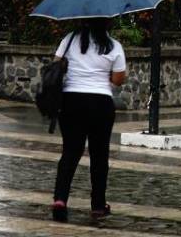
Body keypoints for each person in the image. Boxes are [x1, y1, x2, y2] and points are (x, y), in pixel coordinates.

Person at [51, 18, 127, 223]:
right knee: (99, 155)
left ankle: (60, 199)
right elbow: (119, 79)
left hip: (71, 101)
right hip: (101, 103)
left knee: (70, 152)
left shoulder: (69, 39)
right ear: (107, 24)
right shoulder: (114, 46)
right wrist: (103, 73)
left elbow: (56, 65)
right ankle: (98, 205)